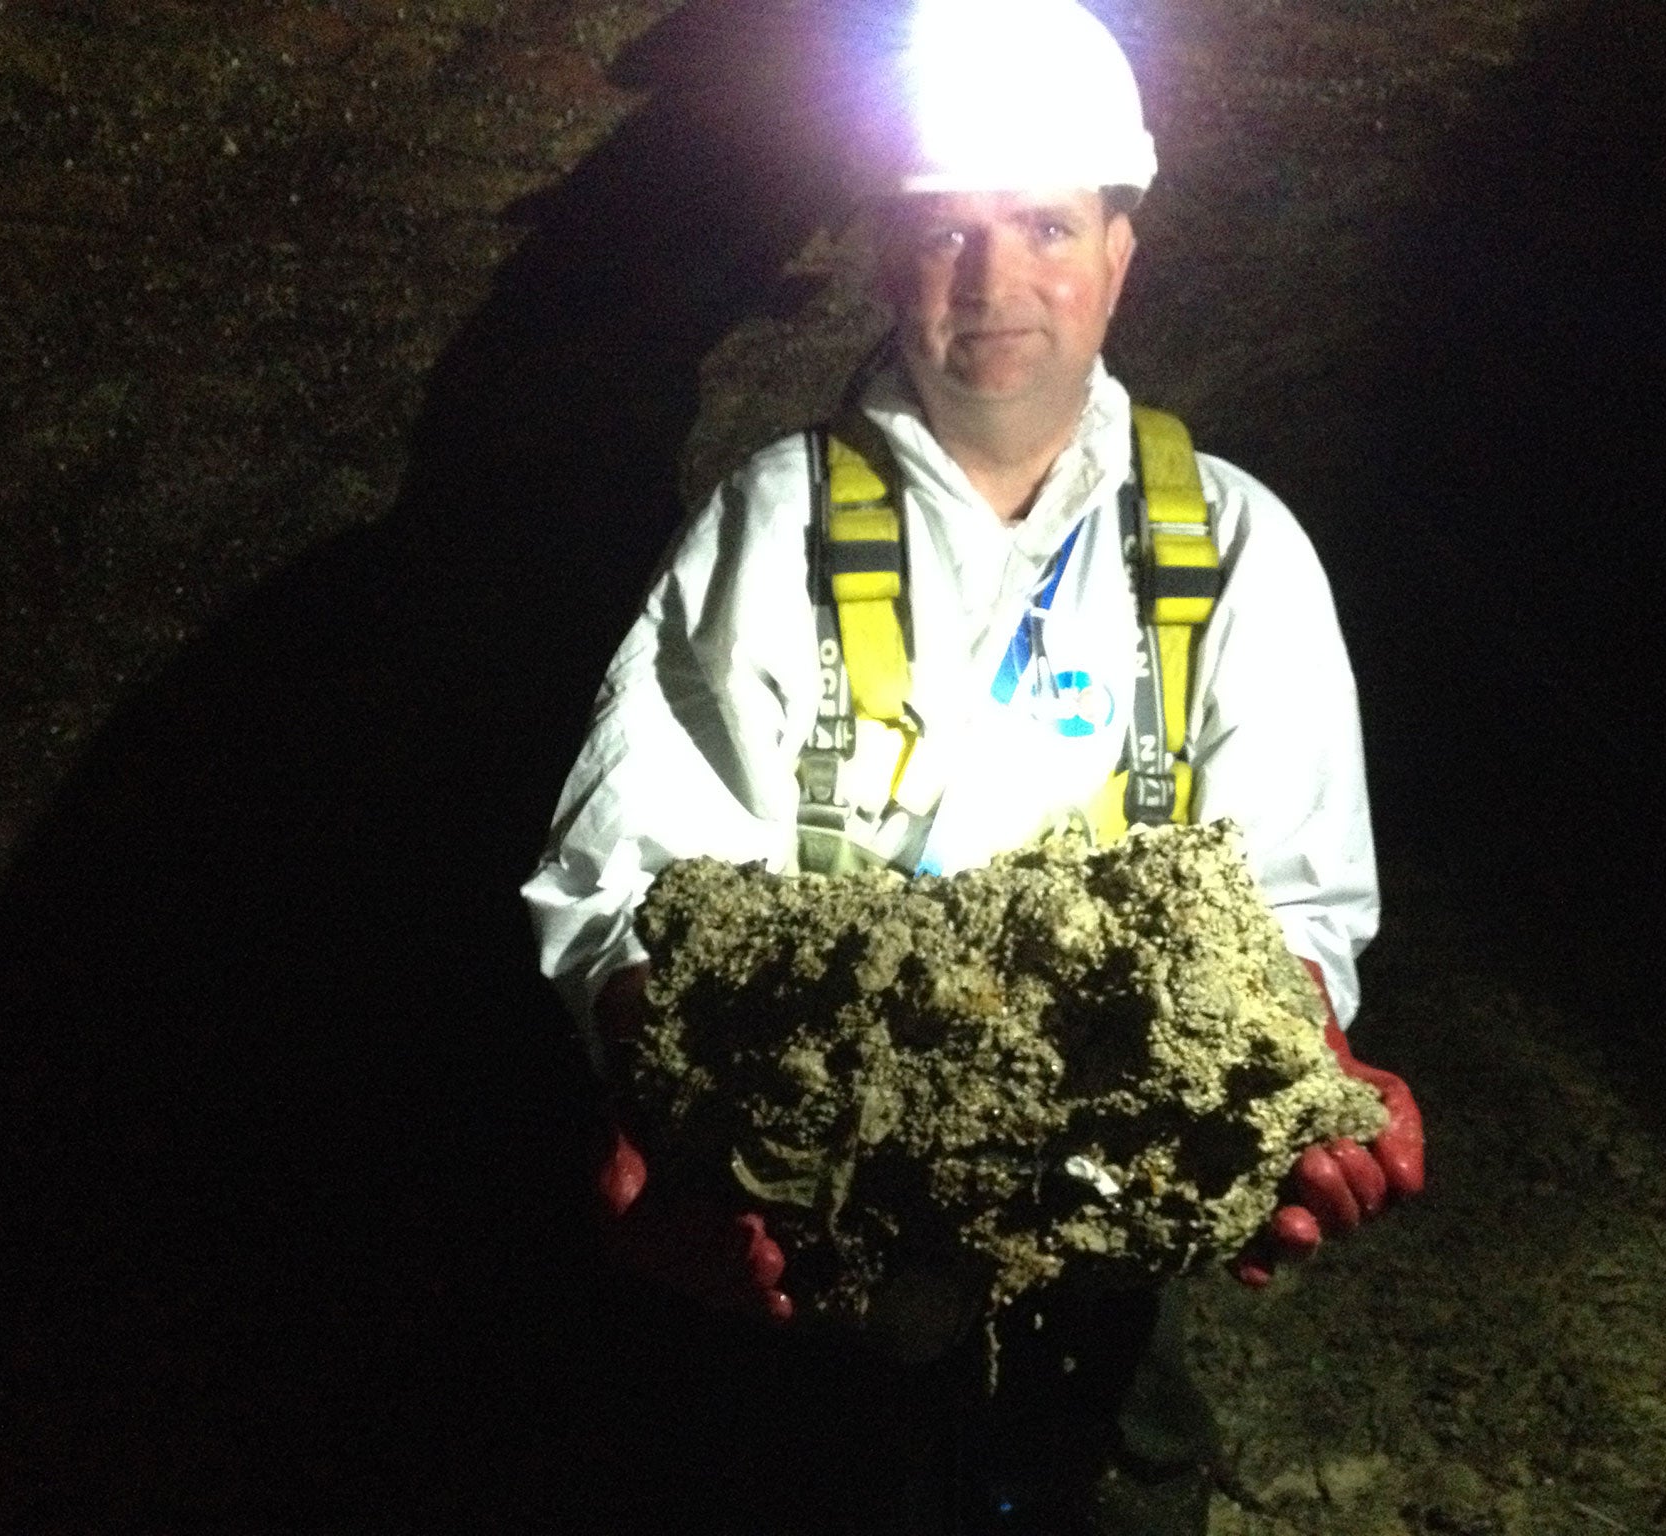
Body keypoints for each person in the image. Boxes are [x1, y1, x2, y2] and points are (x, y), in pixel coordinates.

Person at [522, 1, 1423, 1529]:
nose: (995, 280)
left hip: (1108, 1269)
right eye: (944, 231)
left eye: (1045, 224)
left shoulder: (1240, 548)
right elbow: (625, 868)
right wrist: (656, 1086)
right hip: (820, 1269)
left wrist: (1297, 1075)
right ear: (886, 255)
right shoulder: (770, 528)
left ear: (1122, 250)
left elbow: (1298, 897)